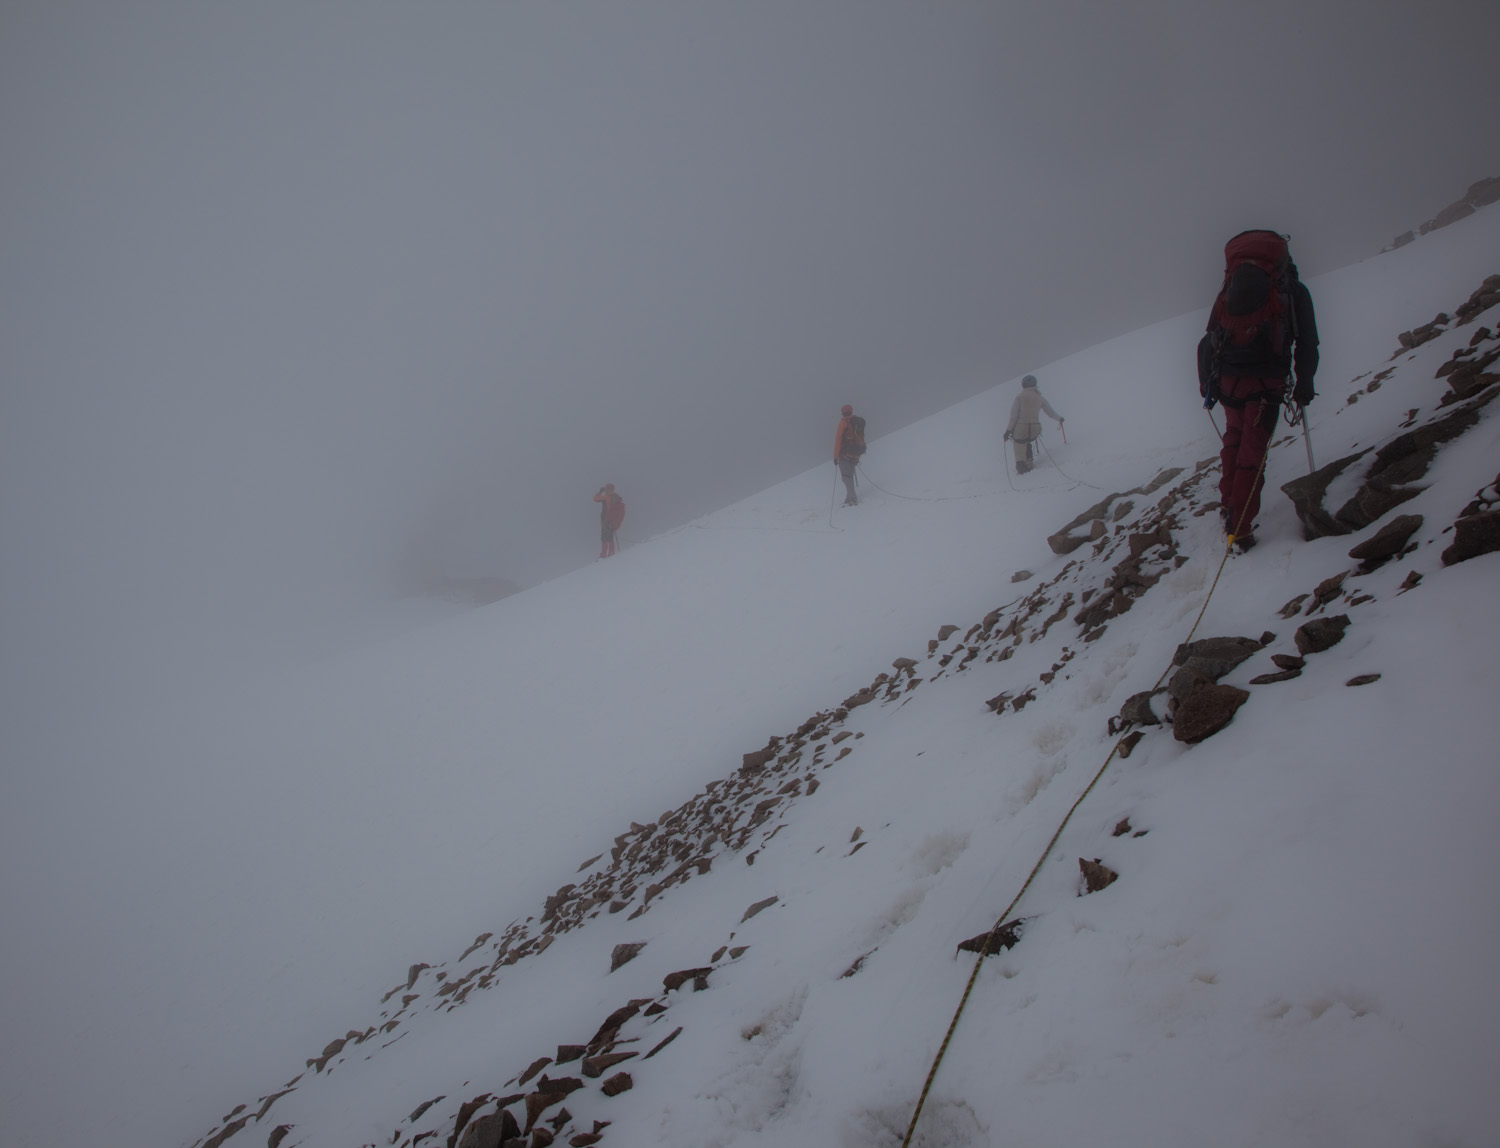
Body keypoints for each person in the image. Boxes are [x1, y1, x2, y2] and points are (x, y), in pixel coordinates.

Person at [1197, 230, 1319, 550]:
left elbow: (1209, 338)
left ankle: (1229, 506)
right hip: (1265, 386)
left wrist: (1208, 384)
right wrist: (1304, 384)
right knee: (1252, 454)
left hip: (1227, 382)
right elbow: (1308, 344)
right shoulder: (1293, 291)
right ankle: (1240, 528)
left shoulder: (1229, 289)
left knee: (1234, 441)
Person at [1004, 375, 1063, 474]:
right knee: (1027, 441)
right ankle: (1029, 461)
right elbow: (1050, 412)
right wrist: (1060, 419)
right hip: (1035, 429)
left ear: (1023, 385)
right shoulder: (1039, 398)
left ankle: (1022, 467)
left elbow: (1013, 416)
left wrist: (1008, 430)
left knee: (1019, 444)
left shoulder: (1019, 397)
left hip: (1021, 428)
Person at [833, 404, 866, 506]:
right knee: (849, 476)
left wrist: (835, 456)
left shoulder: (843, 423)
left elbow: (838, 440)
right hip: (855, 454)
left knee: (846, 477)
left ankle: (852, 499)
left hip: (845, 455)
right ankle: (849, 497)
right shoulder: (857, 422)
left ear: (842, 413)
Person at [593, 483, 626, 558]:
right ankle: (611, 553)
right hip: (612, 521)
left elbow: (595, 499)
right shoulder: (616, 496)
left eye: (606, 488)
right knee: (610, 537)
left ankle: (603, 555)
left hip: (606, 520)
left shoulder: (606, 497)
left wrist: (600, 492)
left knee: (604, 538)